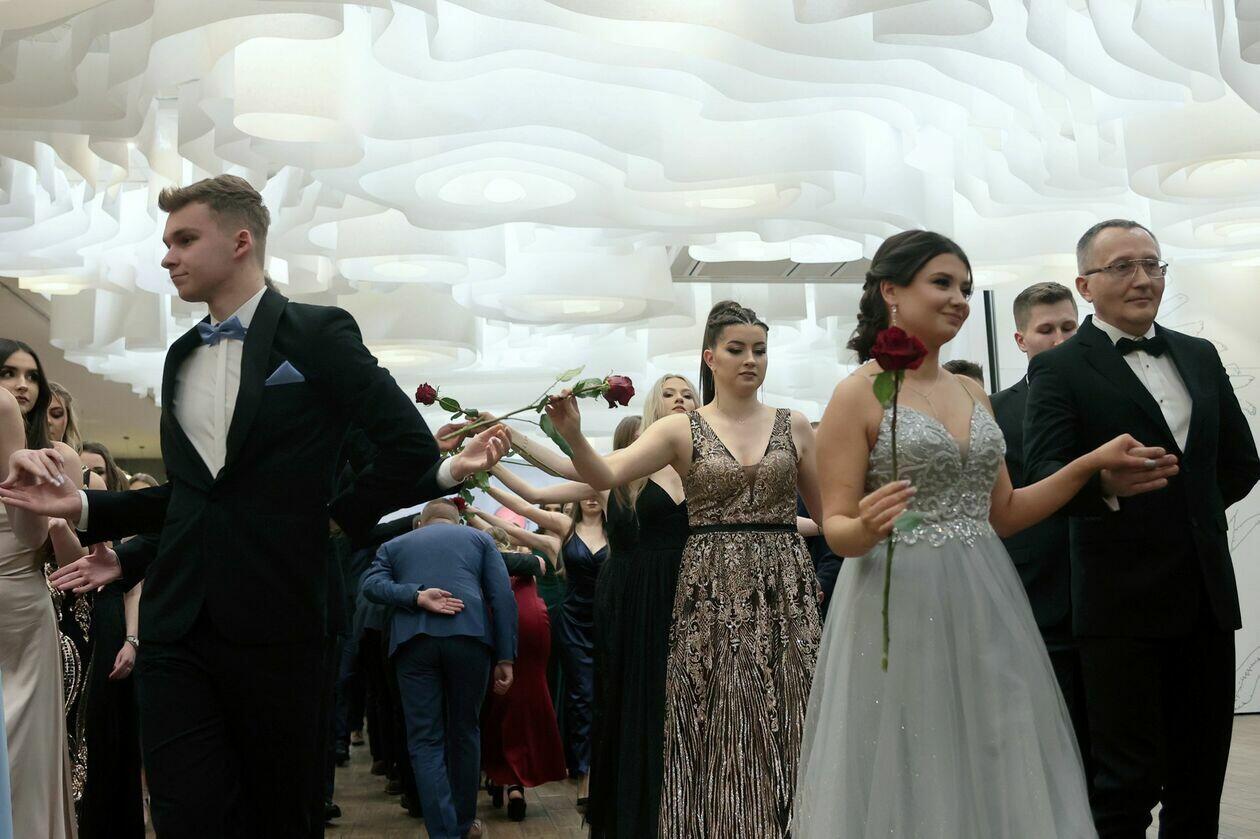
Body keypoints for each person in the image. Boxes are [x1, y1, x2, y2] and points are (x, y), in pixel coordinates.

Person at [0, 175, 510, 837]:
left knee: (279, 815)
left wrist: (333, 517)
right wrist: (86, 507)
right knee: (185, 816)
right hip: (177, 624)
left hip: (281, 617)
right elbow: (194, 496)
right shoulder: (181, 355)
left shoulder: (317, 333)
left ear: (240, 242)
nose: (167, 257)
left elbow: (406, 445)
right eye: (166, 242)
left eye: (185, 239)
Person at [793, 229, 1177, 837]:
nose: (959, 300)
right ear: (891, 291)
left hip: (986, 594)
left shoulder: (971, 391)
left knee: (998, 745)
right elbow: (835, 526)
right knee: (918, 754)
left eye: (966, 289)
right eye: (942, 283)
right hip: (898, 596)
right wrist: (863, 526)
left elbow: (1006, 512)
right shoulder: (857, 394)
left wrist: (1086, 466)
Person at [546, 301, 824, 838]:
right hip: (710, 590)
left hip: (783, 590)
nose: (750, 360)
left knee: (789, 716)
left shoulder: (794, 424)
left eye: (760, 350)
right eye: (736, 349)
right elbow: (604, 474)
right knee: (713, 722)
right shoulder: (682, 429)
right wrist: (574, 435)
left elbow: (829, 515)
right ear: (710, 358)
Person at [1023, 220, 1260, 838]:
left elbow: (1240, 461)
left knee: (1200, 780)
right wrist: (1105, 486)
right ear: (1085, 285)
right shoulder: (1060, 369)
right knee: (1124, 784)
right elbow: (1045, 474)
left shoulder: (1199, 354)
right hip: (1118, 602)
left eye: (1153, 264)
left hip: (1206, 597)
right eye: (1123, 266)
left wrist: (1190, 514)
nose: (1143, 278)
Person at [360, 499, 517, 839]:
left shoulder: (394, 545)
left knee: (424, 739)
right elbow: (502, 597)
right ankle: (463, 823)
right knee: (465, 731)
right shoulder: (480, 540)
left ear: (420, 523)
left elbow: (370, 586)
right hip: (470, 639)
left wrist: (415, 596)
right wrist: (506, 657)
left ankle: (443, 831)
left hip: (413, 644)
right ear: (458, 521)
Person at [990, 281, 1091, 790]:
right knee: (1046, 730)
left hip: (1108, 580)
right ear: (1020, 339)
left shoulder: (1105, 393)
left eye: (1069, 327)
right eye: (1046, 329)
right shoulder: (995, 409)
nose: (1059, 339)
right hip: (1033, 585)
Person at [0, 338, 80, 839]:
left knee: (24, 750)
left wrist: (55, 520)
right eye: (9, 373)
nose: (21, 385)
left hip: (25, 611)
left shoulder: (60, 456)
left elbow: (74, 565)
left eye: (31, 376)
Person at [475, 525, 566, 822]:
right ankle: (516, 783)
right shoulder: (527, 564)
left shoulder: (482, 563)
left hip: (496, 626)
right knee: (526, 701)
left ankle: (497, 772)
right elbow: (537, 565)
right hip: (534, 625)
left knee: (493, 702)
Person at [46, 382, 83, 454]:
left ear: (68, 420)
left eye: (56, 413)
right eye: (40, 416)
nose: (48, 420)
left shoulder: (76, 459)